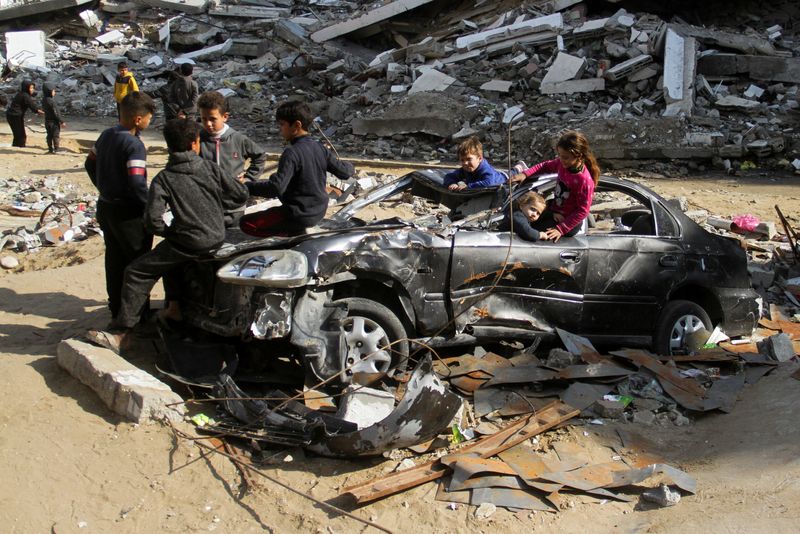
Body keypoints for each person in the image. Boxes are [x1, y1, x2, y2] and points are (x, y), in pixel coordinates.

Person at [86, 118, 249, 352]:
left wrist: (172, 231)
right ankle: (175, 310)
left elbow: (152, 221)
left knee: (136, 272)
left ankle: (123, 333)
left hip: (187, 241)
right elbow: (240, 194)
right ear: (195, 144)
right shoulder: (211, 168)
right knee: (170, 261)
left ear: (168, 146)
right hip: (217, 236)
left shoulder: (164, 178)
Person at [85, 91, 155, 325]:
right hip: (129, 214)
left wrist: (104, 187)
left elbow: (89, 163)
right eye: (149, 118)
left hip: (106, 207)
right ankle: (137, 315)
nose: (149, 122)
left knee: (114, 261)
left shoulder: (106, 135)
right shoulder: (134, 145)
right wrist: (151, 206)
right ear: (138, 119)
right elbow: (137, 183)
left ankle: (115, 308)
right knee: (138, 266)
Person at [240, 100, 354, 236]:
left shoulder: (291, 153)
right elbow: (345, 172)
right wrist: (351, 166)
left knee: (246, 223)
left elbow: (275, 188)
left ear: (297, 125)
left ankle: (289, 237)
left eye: (282, 125)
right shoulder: (319, 147)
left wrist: (248, 186)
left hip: (298, 214)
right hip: (318, 211)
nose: (280, 129)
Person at [509, 130, 600, 242]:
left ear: (579, 156)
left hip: (566, 222)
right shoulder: (563, 164)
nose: (561, 160)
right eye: (560, 156)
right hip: (555, 211)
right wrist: (525, 174)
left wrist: (560, 229)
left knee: (530, 233)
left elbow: (582, 211)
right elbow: (545, 166)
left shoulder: (584, 181)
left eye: (565, 157)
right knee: (522, 217)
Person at [197, 91, 267, 183]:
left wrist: (249, 178)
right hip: (206, 193)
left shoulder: (238, 139)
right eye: (204, 119)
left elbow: (260, 156)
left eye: (212, 119)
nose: (208, 124)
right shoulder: (197, 140)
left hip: (232, 194)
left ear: (225, 117)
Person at [5, 79, 44, 147]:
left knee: (18, 134)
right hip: (15, 116)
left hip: (13, 116)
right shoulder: (25, 96)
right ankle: (19, 146)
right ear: (26, 88)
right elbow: (32, 106)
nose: (32, 90)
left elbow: (32, 100)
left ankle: (16, 145)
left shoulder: (21, 93)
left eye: (33, 88)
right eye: (31, 88)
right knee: (20, 135)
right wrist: (40, 112)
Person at [42, 82, 66, 154]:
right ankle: (56, 149)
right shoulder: (52, 101)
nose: (54, 92)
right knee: (55, 136)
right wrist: (61, 121)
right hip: (54, 122)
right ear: (50, 92)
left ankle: (50, 149)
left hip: (47, 121)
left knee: (49, 135)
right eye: (53, 91)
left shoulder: (44, 100)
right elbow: (56, 112)